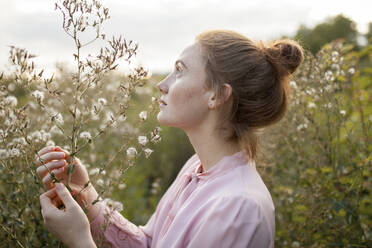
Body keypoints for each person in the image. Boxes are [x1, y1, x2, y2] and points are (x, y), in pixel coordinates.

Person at [36, 30, 304, 247]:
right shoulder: (196, 168)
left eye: (179, 70)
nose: (161, 84)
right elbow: (149, 243)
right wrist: (85, 193)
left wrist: (80, 240)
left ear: (217, 96)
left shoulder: (237, 208)